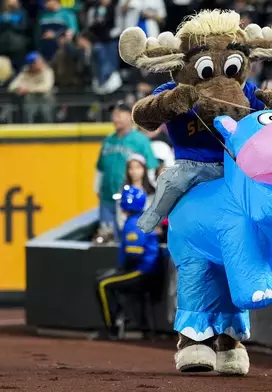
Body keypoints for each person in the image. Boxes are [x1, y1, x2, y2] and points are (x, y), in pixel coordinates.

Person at [94, 185, 160, 340]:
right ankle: (119, 320)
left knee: (102, 284)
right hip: (146, 270)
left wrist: (121, 271)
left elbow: (133, 256)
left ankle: (112, 329)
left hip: (142, 272)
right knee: (102, 277)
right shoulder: (141, 219)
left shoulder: (133, 223)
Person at [95, 101, 158, 236]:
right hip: (107, 198)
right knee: (108, 238)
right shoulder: (108, 140)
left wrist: (150, 195)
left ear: (130, 116)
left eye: (119, 114)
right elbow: (100, 168)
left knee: (130, 237)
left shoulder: (141, 140)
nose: (115, 118)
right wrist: (96, 187)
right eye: (114, 114)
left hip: (131, 201)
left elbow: (151, 169)